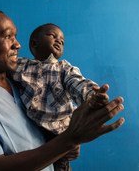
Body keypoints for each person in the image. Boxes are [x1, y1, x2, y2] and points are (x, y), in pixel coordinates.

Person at [0, 8, 125, 171]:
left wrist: (66, 145)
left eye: (15, 36)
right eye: (7, 37)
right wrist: (70, 138)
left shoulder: (27, 84)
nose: (17, 44)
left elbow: (46, 134)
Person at [9, 23, 109, 170]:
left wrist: (92, 95)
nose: (59, 41)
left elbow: (77, 83)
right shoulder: (22, 65)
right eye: (52, 35)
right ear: (34, 43)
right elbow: (3, 68)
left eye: (62, 40)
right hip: (29, 130)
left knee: (60, 165)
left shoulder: (64, 68)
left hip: (58, 133)